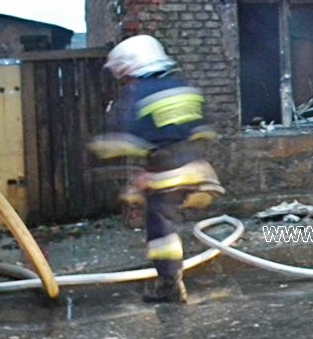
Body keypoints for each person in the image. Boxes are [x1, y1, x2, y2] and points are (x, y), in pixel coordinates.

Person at [87, 34, 224, 303]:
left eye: (123, 74)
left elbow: (131, 140)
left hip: (164, 172)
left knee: (161, 231)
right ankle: (198, 198)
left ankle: (170, 286)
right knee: (173, 216)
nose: (124, 80)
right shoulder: (183, 87)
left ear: (130, 67)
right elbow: (203, 127)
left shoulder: (138, 93)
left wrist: (102, 149)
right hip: (197, 167)